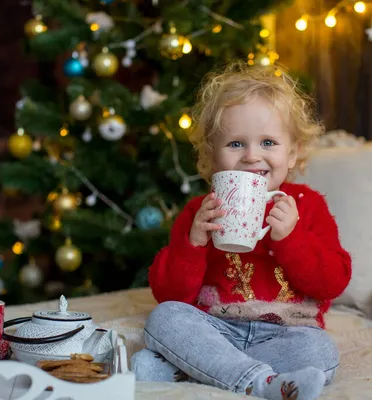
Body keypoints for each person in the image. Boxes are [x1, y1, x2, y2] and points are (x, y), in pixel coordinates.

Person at [131, 61, 352, 400]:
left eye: (268, 143)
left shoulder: (307, 207)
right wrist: (193, 244)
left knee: (320, 353)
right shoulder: (198, 212)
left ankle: (192, 369)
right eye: (235, 144)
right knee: (165, 318)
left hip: (287, 333)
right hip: (217, 328)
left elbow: (332, 282)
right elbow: (171, 295)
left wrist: (291, 239)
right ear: (213, 157)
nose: (252, 156)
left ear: (292, 154)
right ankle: (256, 382)